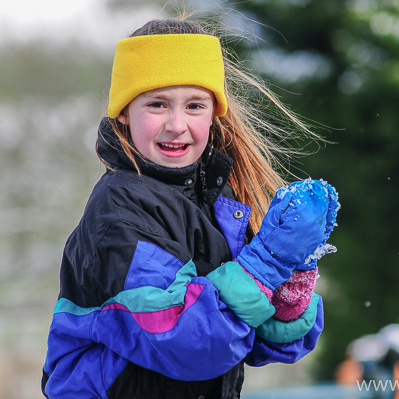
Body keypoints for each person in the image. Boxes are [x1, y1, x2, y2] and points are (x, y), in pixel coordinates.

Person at [41, 16, 339, 399]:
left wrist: (292, 276)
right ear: (123, 112)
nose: (177, 124)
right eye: (157, 104)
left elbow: (270, 343)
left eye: (195, 105)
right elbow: (187, 341)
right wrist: (265, 265)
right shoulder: (119, 207)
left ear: (214, 114)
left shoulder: (219, 200)